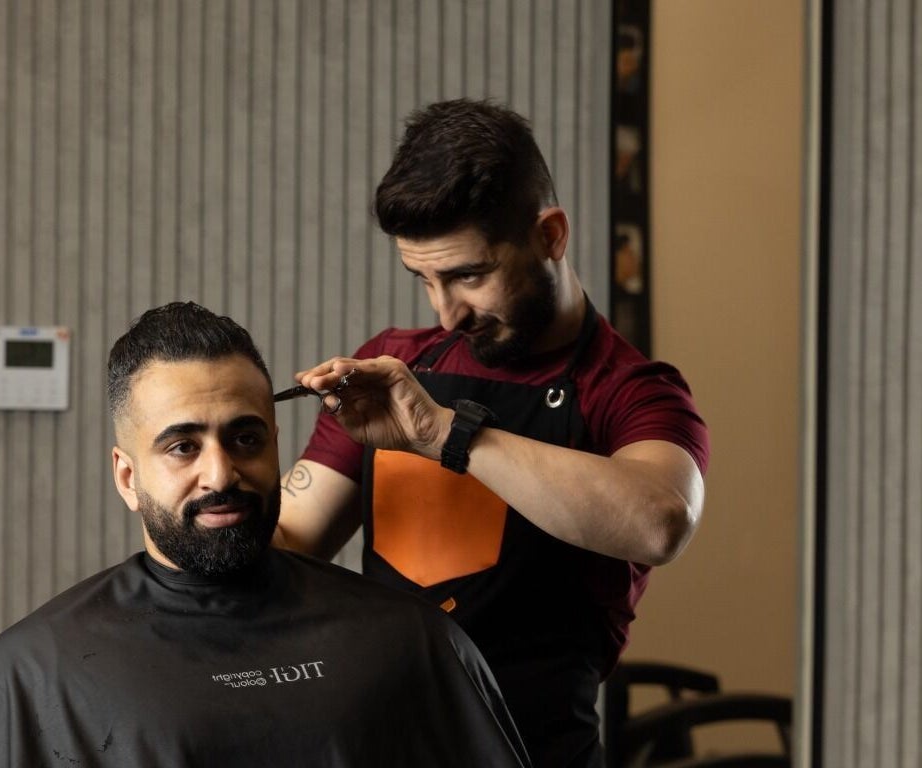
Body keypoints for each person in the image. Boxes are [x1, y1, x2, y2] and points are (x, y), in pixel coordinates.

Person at [0, 302, 531, 768]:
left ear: (276, 445)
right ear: (126, 477)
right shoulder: (22, 682)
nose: (221, 472)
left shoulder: (410, 642)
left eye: (245, 438)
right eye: (182, 446)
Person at [274, 99, 710, 767]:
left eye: (468, 276)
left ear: (550, 236)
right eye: (424, 280)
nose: (446, 314)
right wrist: (187, 470)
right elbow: (286, 542)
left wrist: (444, 433)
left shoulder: (631, 391)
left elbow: (659, 521)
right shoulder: (397, 362)